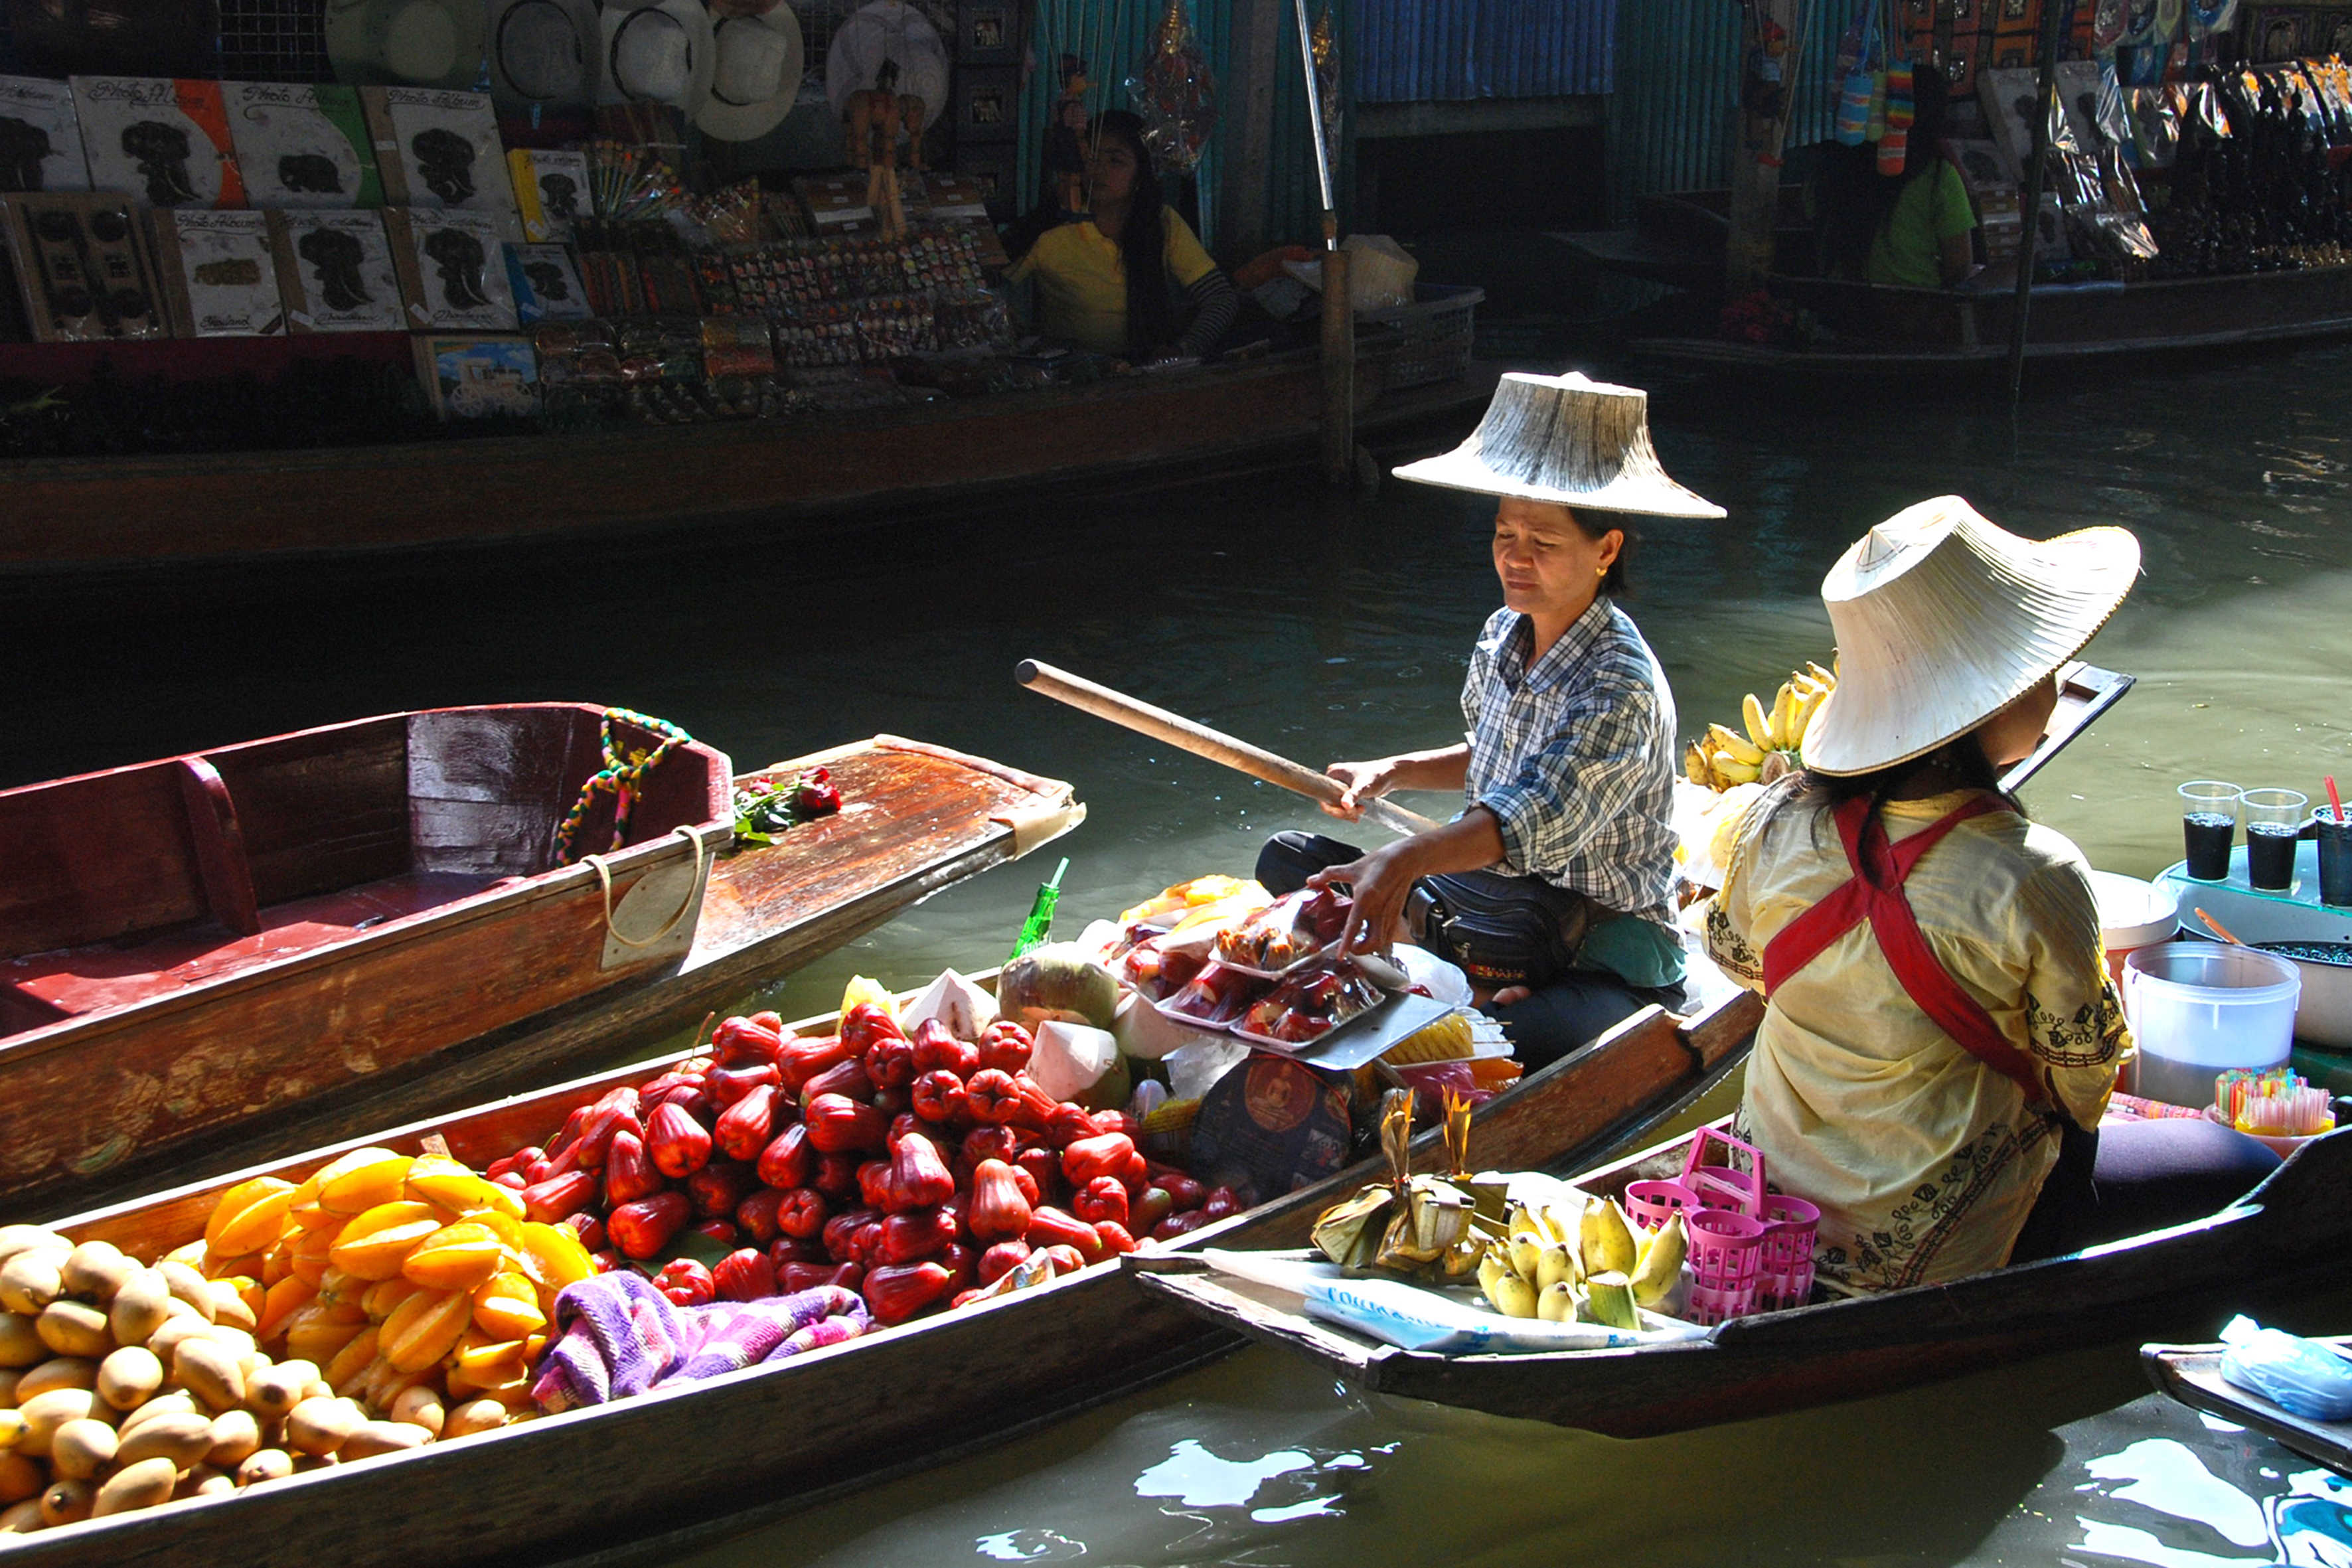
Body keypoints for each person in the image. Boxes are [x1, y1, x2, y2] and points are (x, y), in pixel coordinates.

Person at [1703, 497, 2278, 1296]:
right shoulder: (2033, 869)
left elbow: (1739, 961)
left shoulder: (1776, 819)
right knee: (2247, 1162)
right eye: (2043, 667)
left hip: (1770, 1198)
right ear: (1994, 702)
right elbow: (2083, 1080)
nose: (2057, 680)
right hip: (1921, 1237)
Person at [1255, 371, 1727, 1068]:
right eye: (1506, 532)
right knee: (1290, 857)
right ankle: (1468, 971)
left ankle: (1506, 992)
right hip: (1492, 912)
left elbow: (1528, 817)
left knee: (1492, 1049)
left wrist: (1407, 858)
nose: (1515, 556)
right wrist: (1394, 772)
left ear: (1605, 551)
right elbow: (1494, 755)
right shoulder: (1504, 630)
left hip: (1593, 938)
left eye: (1544, 541)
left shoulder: (1620, 682)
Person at [1004, 110, 1237, 361]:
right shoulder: (1052, 226)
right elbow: (984, 286)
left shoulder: (1162, 222)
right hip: (1074, 376)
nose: (1097, 170)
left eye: (1115, 161)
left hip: (1147, 373)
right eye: (1090, 157)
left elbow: (1220, 298)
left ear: (1140, 174)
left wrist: (1184, 349)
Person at [1817, 62, 1976, 287]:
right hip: (1915, 311)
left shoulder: (1847, 163)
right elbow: (1960, 266)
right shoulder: (1940, 177)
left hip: (1844, 307)